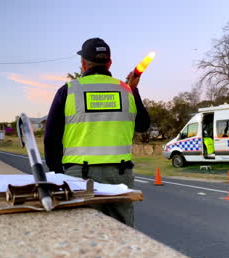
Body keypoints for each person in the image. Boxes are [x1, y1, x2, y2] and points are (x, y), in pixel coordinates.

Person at [44, 38, 150, 227]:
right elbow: (143, 125)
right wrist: (134, 90)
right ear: (109, 63)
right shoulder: (126, 90)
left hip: (78, 177)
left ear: (83, 64)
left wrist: (58, 175)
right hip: (120, 177)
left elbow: (51, 139)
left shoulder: (68, 91)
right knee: (122, 235)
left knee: (82, 233)